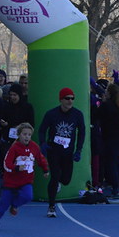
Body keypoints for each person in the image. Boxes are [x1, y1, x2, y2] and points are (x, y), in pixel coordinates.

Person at [0, 123, 49, 231]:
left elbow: (40, 158)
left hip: (26, 181)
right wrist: (16, 168)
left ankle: (14, 205)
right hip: (11, 182)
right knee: (4, 203)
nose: (27, 137)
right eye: (24, 134)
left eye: (29, 135)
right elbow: (6, 164)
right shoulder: (14, 148)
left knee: (28, 196)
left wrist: (45, 169)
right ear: (19, 135)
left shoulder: (34, 147)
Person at [37, 87, 86, 218]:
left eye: (72, 98)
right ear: (61, 100)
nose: (70, 101)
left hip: (68, 152)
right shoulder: (51, 114)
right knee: (55, 176)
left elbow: (82, 132)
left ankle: (57, 183)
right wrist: (43, 143)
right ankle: (51, 206)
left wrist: (79, 150)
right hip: (54, 151)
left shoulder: (77, 114)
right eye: (67, 98)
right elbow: (42, 130)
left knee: (65, 180)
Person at [96, 83, 119, 198]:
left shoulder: (107, 105)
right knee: (116, 163)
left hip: (112, 138)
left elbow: (97, 115)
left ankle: (116, 188)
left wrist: (102, 102)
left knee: (111, 164)